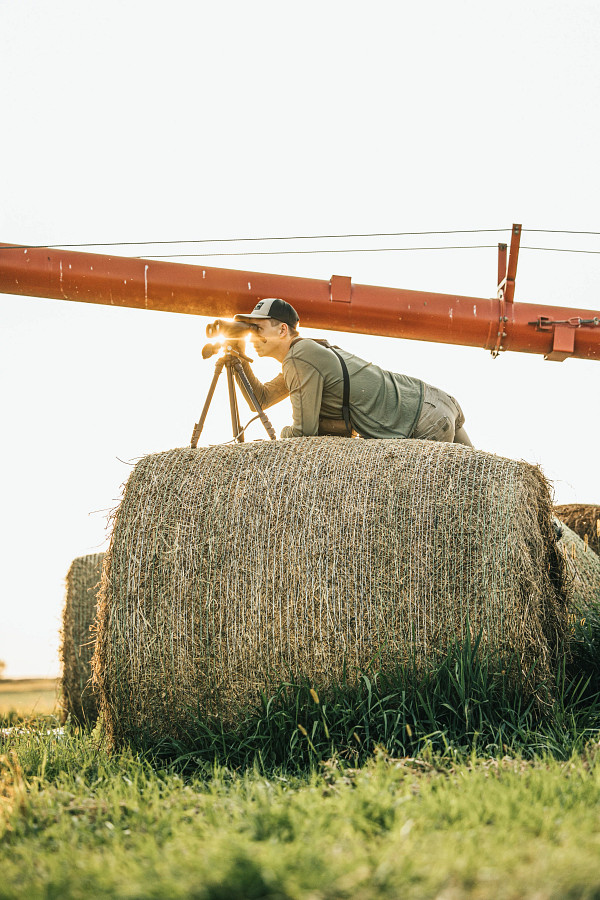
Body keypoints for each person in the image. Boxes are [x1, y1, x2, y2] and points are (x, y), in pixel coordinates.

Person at [233, 297, 473, 445]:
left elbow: (303, 435)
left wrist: (283, 433)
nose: (252, 336)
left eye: (258, 328)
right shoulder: (308, 352)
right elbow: (260, 400)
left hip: (420, 420)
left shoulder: (299, 357)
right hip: (435, 402)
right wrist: (239, 359)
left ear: (282, 330)